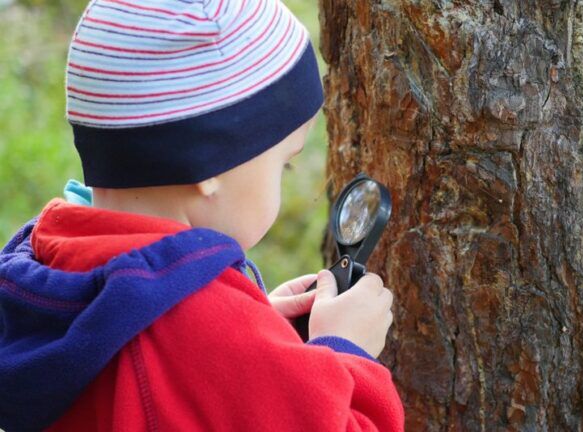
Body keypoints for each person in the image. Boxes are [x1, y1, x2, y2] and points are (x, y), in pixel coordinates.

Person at [0, 0, 404, 430]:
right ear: (212, 167)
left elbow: (145, 370)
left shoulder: (46, 268)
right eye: (283, 164)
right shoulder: (204, 334)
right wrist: (346, 352)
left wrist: (256, 337)